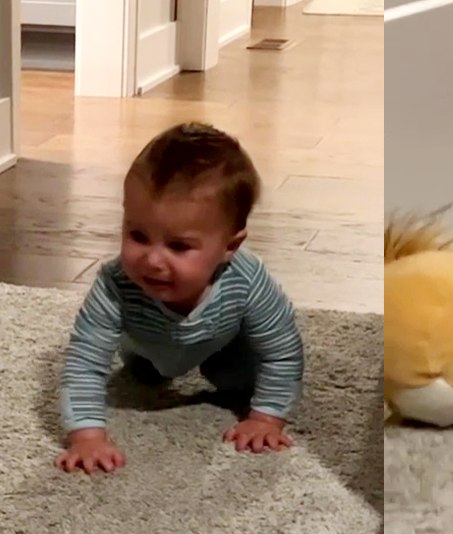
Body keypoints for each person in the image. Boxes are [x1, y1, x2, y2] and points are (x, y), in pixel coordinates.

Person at [54, 122, 304, 474]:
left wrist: (266, 418)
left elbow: (282, 351)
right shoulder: (114, 284)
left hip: (224, 344)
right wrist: (87, 437)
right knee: (143, 371)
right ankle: (148, 365)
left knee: (236, 379)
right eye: (138, 236)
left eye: (178, 246)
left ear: (230, 246)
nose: (153, 260)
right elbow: (85, 362)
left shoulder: (247, 282)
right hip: (144, 344)